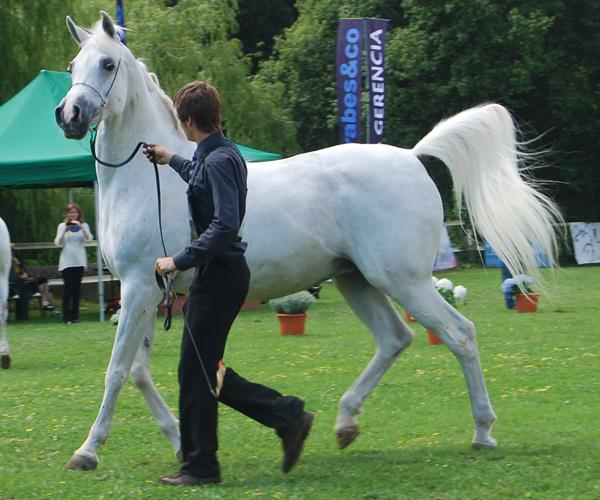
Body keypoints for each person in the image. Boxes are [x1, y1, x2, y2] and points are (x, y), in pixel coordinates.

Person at [144, 81, 313, 487]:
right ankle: (285, 418)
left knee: (197, 371)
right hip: (220, 275)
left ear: (188, 121)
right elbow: (199, 175)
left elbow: (224, 226)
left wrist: (176, 261)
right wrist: (170, 159)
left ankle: (206, 464)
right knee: (201, 368)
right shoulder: (220, 153)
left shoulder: (219, 160)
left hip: (219, 276)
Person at [53, 203, 93, 324]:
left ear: (78, 214)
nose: (72, 215)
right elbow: (57, 243)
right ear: (67, 214)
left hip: (79, 260)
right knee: (67, 289)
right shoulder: (62, 225)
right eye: (70, 212)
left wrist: (81, 227)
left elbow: (89, 238)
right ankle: (66, 316)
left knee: (77, 289)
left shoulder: (83, 225)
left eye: (75, 212)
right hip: (67, 261)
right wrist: (64, 231)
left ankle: (75, 316)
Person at [9, 247, 58, 319]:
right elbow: (13, 278)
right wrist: (22, 277)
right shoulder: (7, 265)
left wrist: (19, 265)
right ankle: (48, 306)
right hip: (16, 287)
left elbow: (25, 274)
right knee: (44, 285)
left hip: (25, 283)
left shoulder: (17, 263)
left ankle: (45, 303)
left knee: (44, 284)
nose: (13, 256)